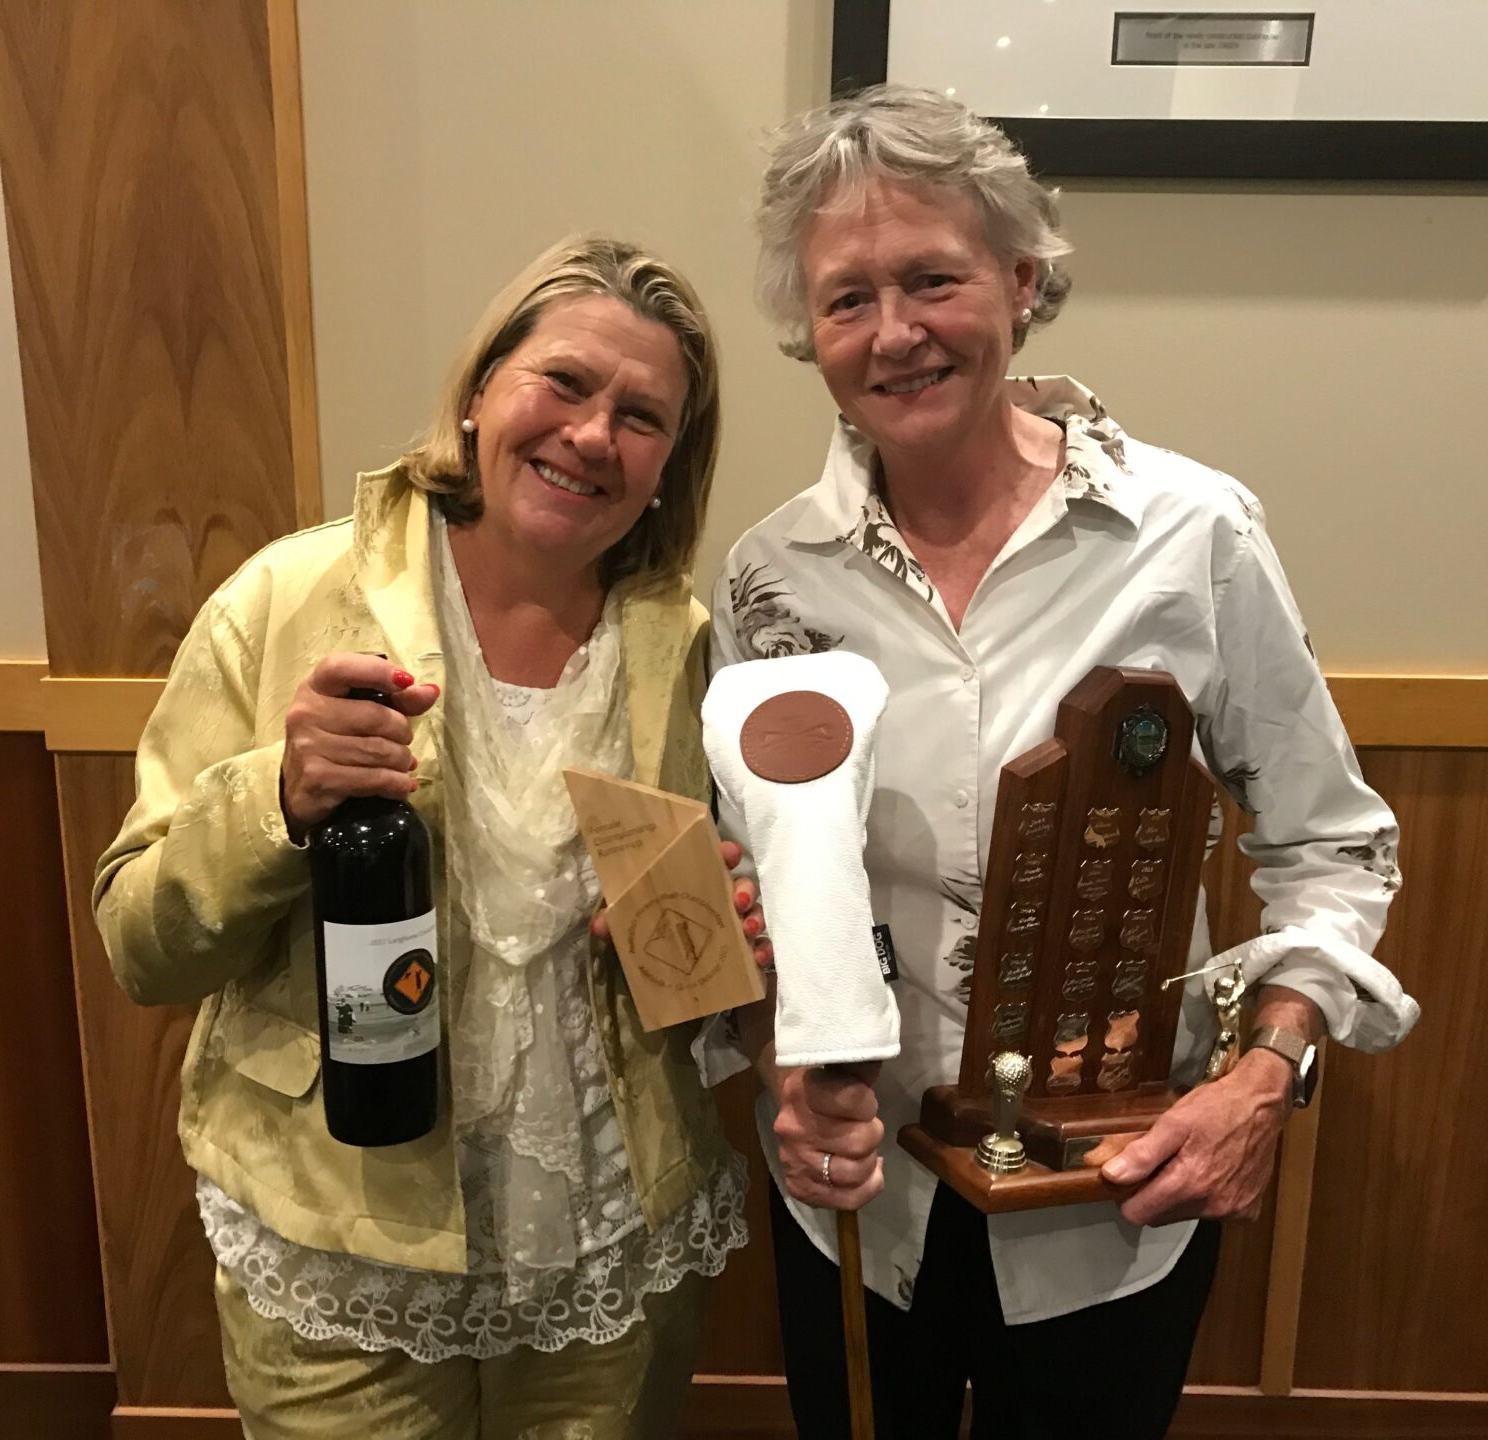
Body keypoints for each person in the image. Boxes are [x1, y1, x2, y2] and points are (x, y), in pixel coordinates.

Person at [704, 86, 1418, 1438]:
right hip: (860, 1203)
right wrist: (776, 1069)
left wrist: (1264, 1080)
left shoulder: (1192, 536)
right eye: (849, 298)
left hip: (1112, 1200)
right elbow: (747, 878)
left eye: (933, 279)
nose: (895, 332)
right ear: (811, 332)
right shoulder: (769, 576)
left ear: (1022, 281)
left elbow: (1331, 847)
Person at [95, 236, 767, 1439]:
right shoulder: (289, 600)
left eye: (641, 417)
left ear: (671, 464)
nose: (592, 435)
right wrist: (278, 798)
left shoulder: (683, 645)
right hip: (347, 1253)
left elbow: (698, 970)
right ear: (479, 392)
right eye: (564, 382)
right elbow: (142, 946)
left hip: (608, 1250)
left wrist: (711, 941)